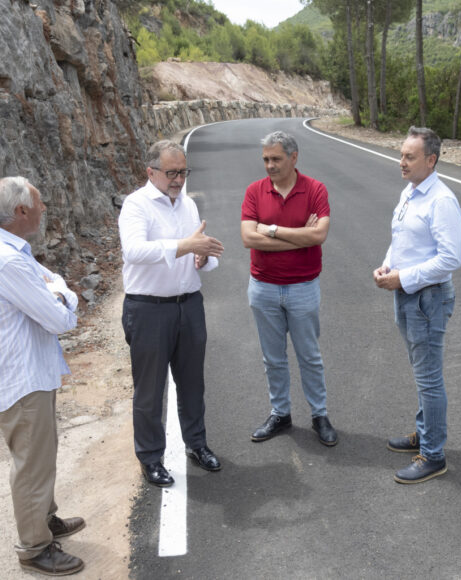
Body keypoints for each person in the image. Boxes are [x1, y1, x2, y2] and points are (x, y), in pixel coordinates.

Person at [0, 177, 85, 576]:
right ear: (20, 211)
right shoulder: (6, 260)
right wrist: (62, 294)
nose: (44, 209)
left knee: (41, 455)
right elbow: (60, 318)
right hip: (22, 377)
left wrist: (56, 291)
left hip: (27, 372)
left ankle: (44, 520)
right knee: (32, 462)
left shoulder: (2, 249)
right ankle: (34, 548)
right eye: (38, 203)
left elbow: (52, 287)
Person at [119, 140, 225, 488]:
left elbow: (198, 255)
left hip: (189, 305)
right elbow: (135, 251)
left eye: (183, 171)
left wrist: (202, 257)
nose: (179, 179)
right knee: (150, 391)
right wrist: (186, 246)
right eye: (172, 173)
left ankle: (197, 443)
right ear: (151, 172)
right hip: (148, 309)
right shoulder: (136, 205)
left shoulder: (188, 205)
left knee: (193, 383)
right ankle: (151, 458)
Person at [373, 126, 461, 484]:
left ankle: (433, 455)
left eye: (409, 157)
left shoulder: (441, 201)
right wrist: (387, 266)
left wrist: (404, 278)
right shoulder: (410, 192)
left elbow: (450, 259)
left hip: (428, 298)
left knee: (429, 379)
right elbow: (402, 239)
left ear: (431, 160)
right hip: (408, 292)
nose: (402, 162)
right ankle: (425, 433)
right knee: (421, 372)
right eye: (401, 155)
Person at [241, 131, 338, 447]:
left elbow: (319, 236)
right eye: (266, 159)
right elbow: (248, 238)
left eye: (276, 159)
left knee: (309, 356)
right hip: (263, 288)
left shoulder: (315, 189)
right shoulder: (255, 191)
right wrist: (299, 238)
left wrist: (270, 231)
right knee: (273, 358)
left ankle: (319, 415)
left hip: (303, 287)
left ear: (294, 157)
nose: (270, 165)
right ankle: (280, 413)